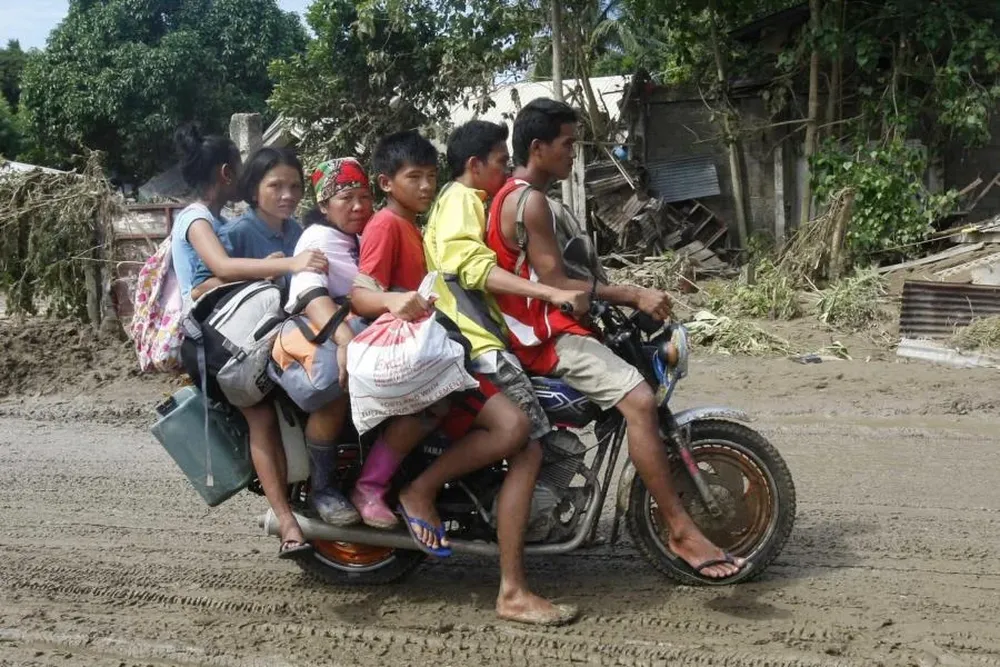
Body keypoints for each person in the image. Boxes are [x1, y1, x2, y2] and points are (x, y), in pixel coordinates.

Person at [485, 98, 748, 581]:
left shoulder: (511, 196)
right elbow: (557, 284)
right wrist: (630, 293)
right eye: (567, 144)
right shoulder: (529, 201)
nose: (573, 153)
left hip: (547, 330)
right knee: (641, 401)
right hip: (545, 338)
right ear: (538, 147)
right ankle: (679, 531)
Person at [350, 129, 576, 626]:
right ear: (387, 183)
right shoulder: (389, 225)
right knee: (520, 435)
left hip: (443, 349)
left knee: (525, 437)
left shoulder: (415, 222)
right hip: (433, 356)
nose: (427, 186)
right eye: (416, 177)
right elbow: (361, 293)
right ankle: (504, 582)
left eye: (431, 176)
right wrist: (391, 301)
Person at [170, 128, 326, 559]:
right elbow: (211, 278)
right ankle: (287, 522)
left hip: (252, 333)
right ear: (229, 173)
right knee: (260, 418)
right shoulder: (200, 220)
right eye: (274, 184)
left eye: (294, 187)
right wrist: (273, 267)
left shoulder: (225, 221)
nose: (286, 194)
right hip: (221, 340)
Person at [286, 157, 434, 530]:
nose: (357, 207)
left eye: (364, 197)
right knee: (336, 390)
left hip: (367, 330)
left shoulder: (361, 235)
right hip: (325, 332)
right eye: (346, 198)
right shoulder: (317, 239)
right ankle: (323, 489)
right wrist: (343, 341)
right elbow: (309, 294)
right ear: (323, 205)